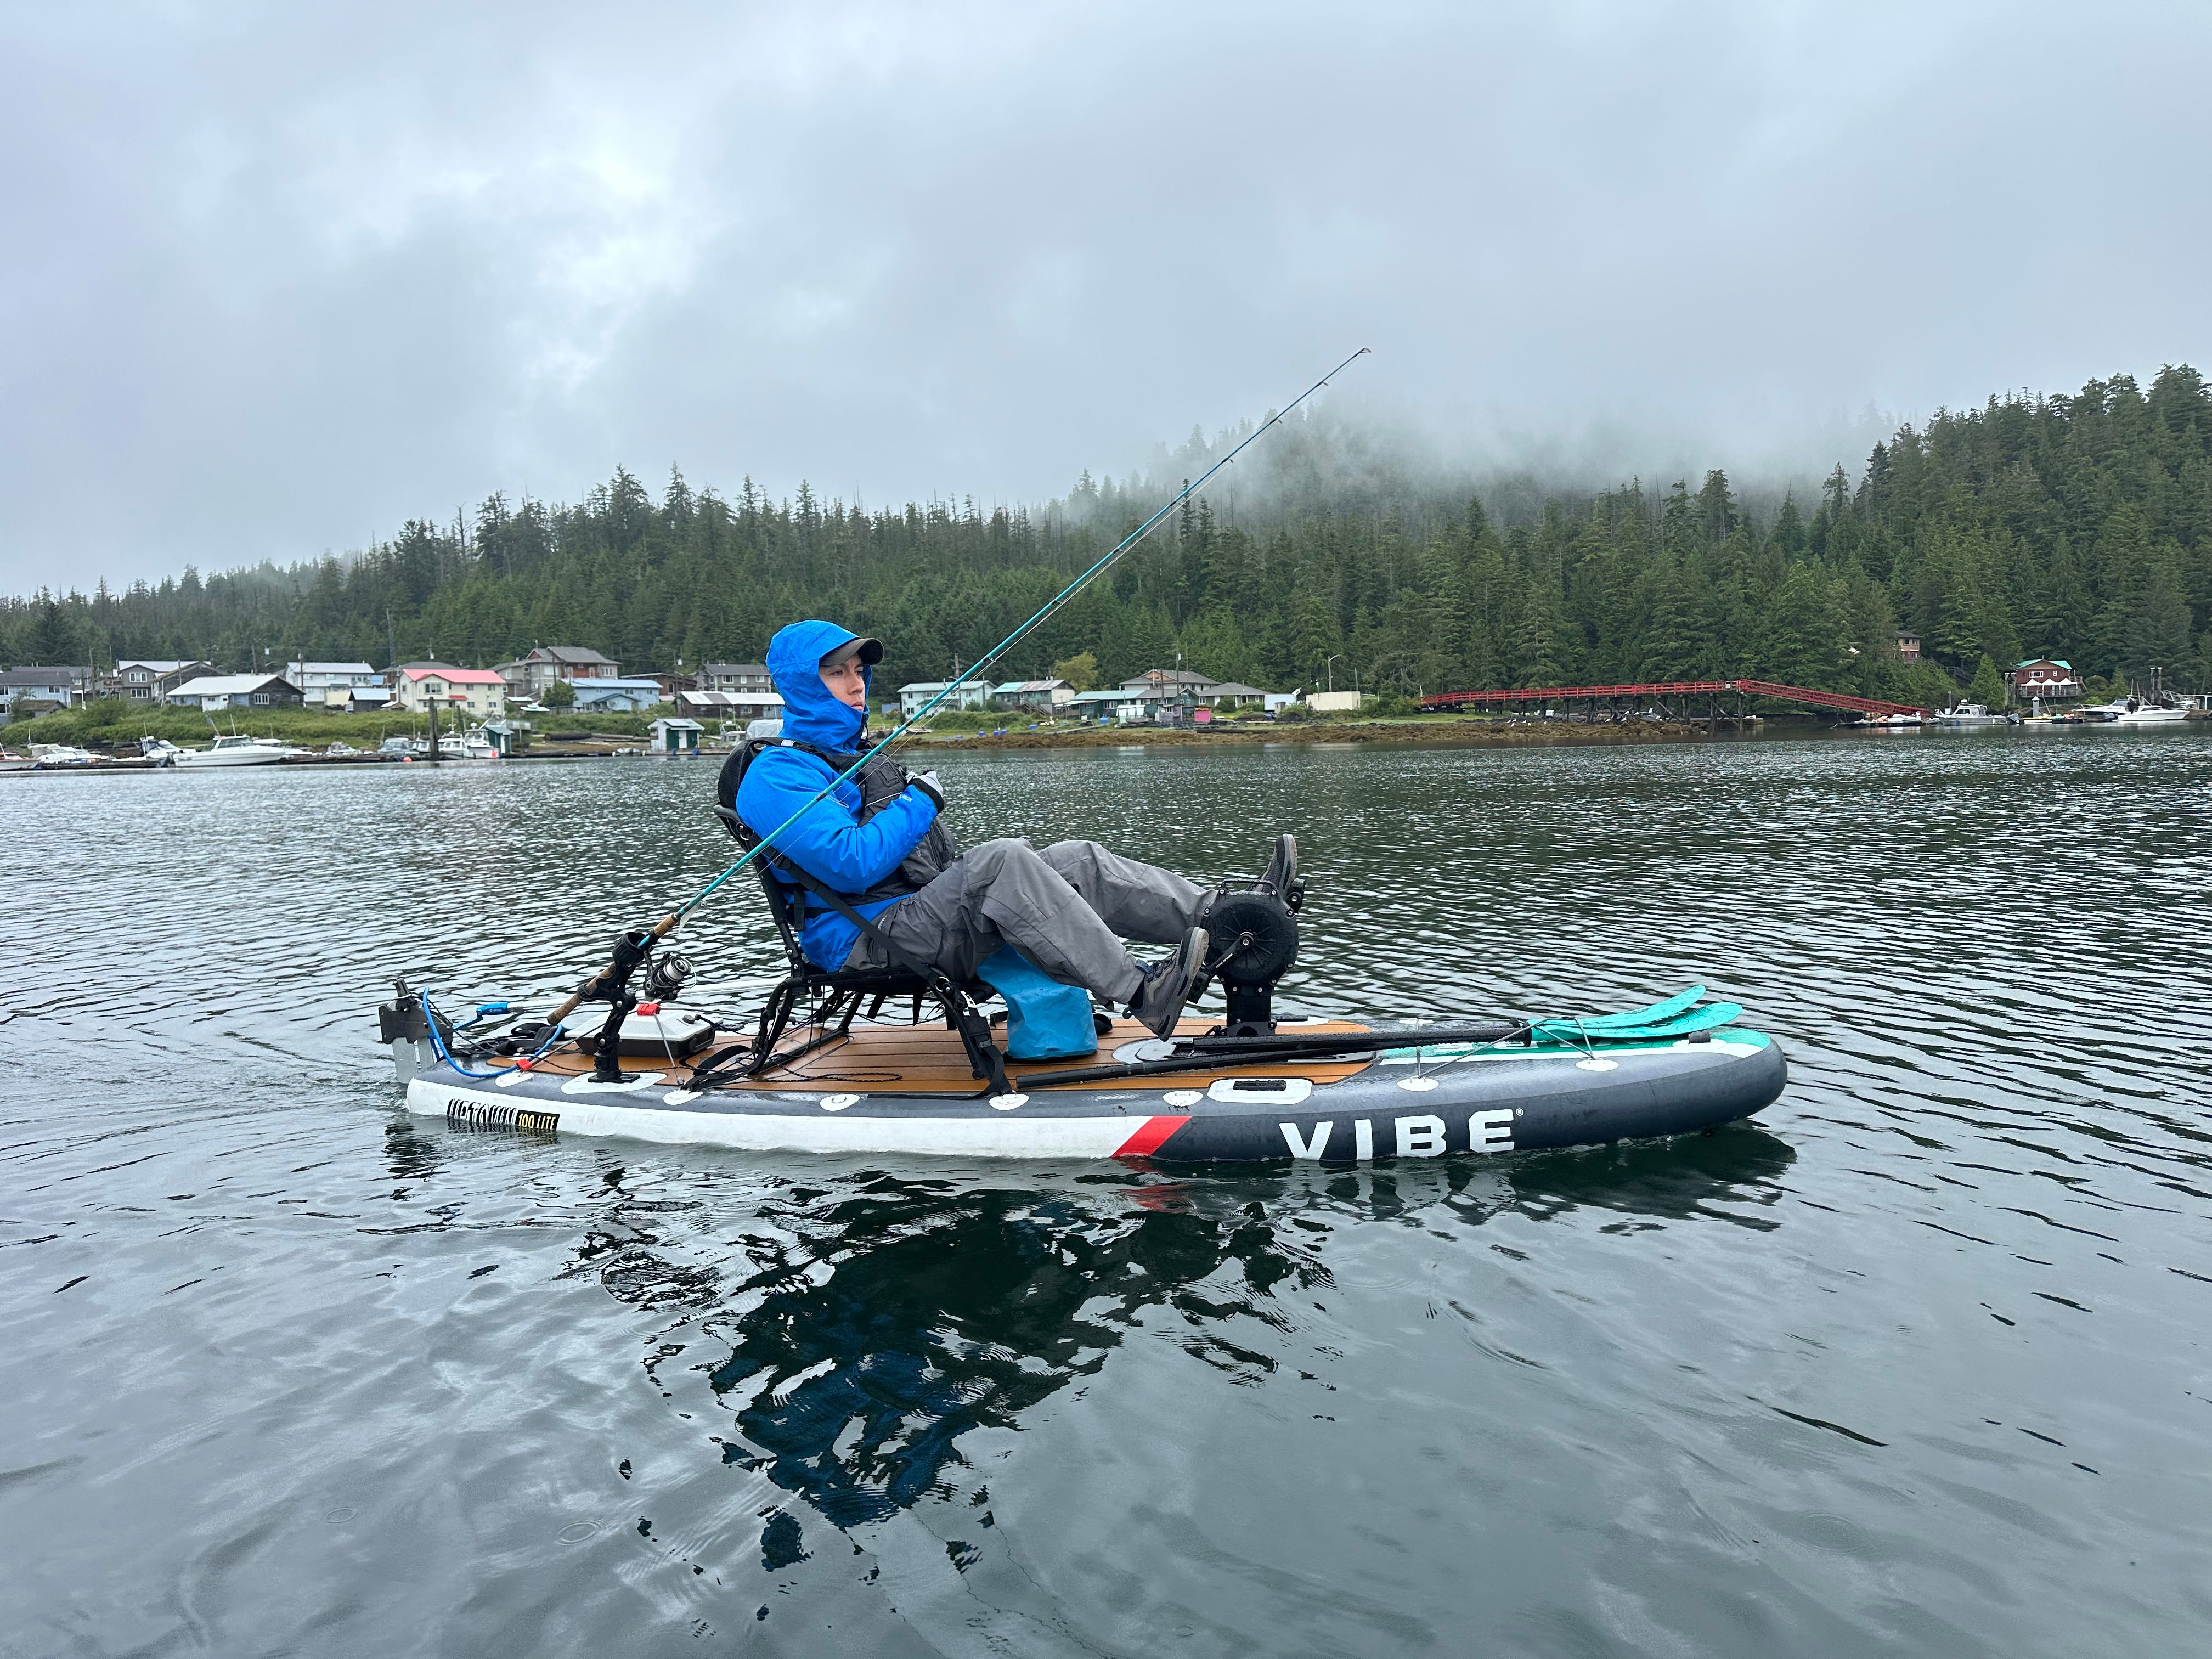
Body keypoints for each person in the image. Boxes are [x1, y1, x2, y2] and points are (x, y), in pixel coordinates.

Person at [726, 619, 1291, 1039]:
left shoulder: (852, 755)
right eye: (836, 673)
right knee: (1003, 860)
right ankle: (1144, 992)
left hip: (913, 914)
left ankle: (1230, 916)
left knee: (1074, 859)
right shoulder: (778, 775)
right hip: (866, 940)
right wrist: (920, 800)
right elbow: (851, 863)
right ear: (802, 684)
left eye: (858, 670)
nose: (855, 684)